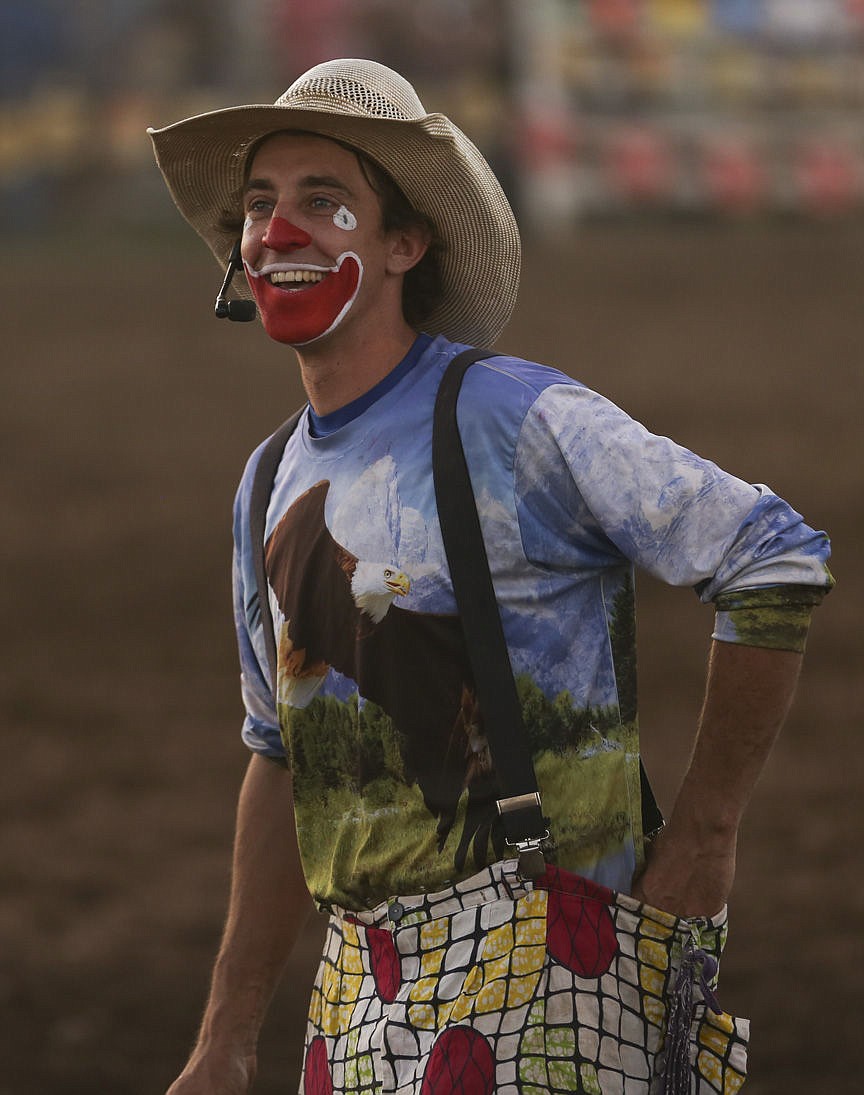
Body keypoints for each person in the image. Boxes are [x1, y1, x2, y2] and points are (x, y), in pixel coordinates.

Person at [149, 58, 832, 1095]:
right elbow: (281, 758)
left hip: (549, 959)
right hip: (353, 1001)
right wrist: (228, 1032)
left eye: (322, 203)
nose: (277, 233)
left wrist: (705, 835)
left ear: (401, 247)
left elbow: (772, 555)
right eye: (259, 205)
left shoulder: (513, 417)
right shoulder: (263, 487)